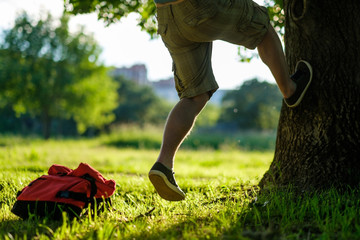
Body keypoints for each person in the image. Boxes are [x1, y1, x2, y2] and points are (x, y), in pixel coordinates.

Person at [148, 0, 313, 201]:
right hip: (200, 6)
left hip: (167, 15)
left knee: (194, 96)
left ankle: (164, 163)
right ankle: (290, 89)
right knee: (262, 26)